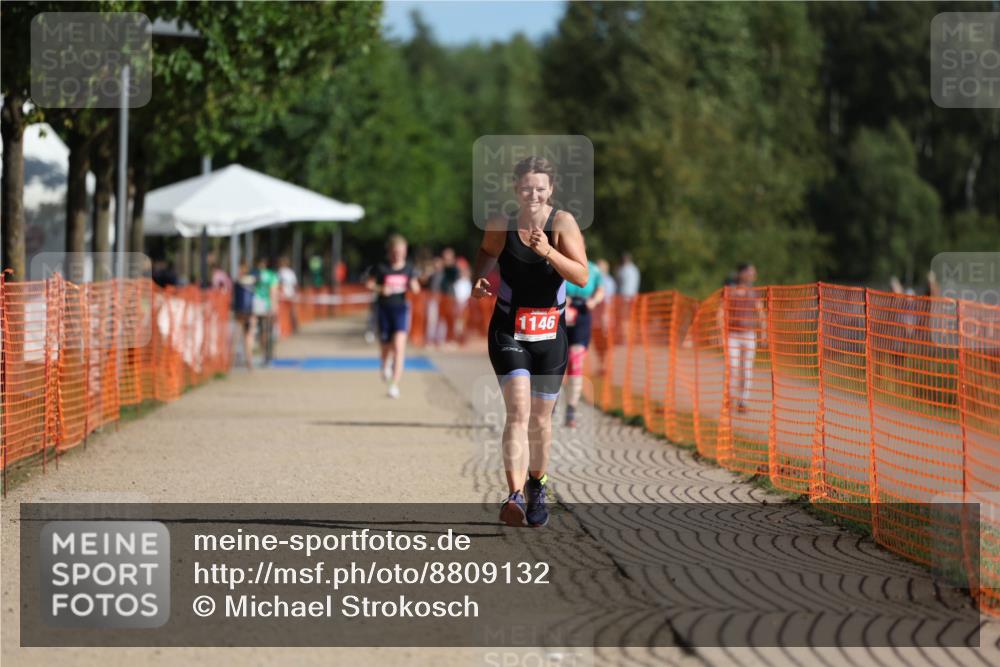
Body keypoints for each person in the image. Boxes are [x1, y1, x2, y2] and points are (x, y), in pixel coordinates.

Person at [472, 156, 589, 528]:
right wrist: (481, 278)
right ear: (515, 188)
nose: (533, 194)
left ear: (551, 189)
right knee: (518, 411)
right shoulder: (501, 223)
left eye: (541, 188)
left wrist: (548, 252)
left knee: (541, 420)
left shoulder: (563, 223)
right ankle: (514, 495)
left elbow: (582, 276)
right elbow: (487, 253)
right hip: (508, 329)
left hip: (550, 336)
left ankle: (538, 484)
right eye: (527, 187)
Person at [366, 234, 421, 398]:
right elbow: (369, 284)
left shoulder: (409, 268)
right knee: (385, 347)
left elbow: (416, 289)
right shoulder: (381, 267)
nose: (398, 255)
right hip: (383, 310)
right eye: (395, 251)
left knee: (399, 347)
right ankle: (385, 364)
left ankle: (394, 384)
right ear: (390, 251)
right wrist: (380, 289)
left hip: (401, 310)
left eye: (402, 251)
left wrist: (413, 285)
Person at [563, 257, 604, 428]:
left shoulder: (593, 269)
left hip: (582, 317)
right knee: (556, 364)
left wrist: (593, 301)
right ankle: (547, 404)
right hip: (560, 316)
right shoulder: (560, 263)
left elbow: (600, 290)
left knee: (575, 361)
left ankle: (571, 408)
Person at [724, 263, 765, 413]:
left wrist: (763, 333)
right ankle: (730, 397)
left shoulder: (753, 293)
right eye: (749, 272)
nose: (752, 276)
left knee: (747, 369)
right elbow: (721, 310)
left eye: (753, 273)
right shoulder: (731, 291)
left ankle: (743, 401)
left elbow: (760, 313)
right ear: (741, 273)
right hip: (732, 335)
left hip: (748, 335)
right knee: (733, 367)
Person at [251, 257, 280, 365]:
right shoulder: (271, 275)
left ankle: (260, 353)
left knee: (256, 331)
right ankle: (267, 354)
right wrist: (274, 307)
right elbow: (273, 292)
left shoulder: (253, 274)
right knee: (267, 331)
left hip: (254, 305)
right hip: (267, 305)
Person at [233, 261, 257, 371]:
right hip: (249, 311)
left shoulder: (237, 281)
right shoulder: (253, 281)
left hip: (239, 312)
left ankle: (231, 359)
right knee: (248, 336)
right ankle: (249, 360)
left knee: (237, 335)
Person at [277, 255, 299, 333]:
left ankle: (293, 327)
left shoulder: (280, 272)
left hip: (285, 295)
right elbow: (295, 284)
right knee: (292, 311)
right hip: (288, 294)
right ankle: (292, 327)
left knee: (291, 311)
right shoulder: (290, 272)